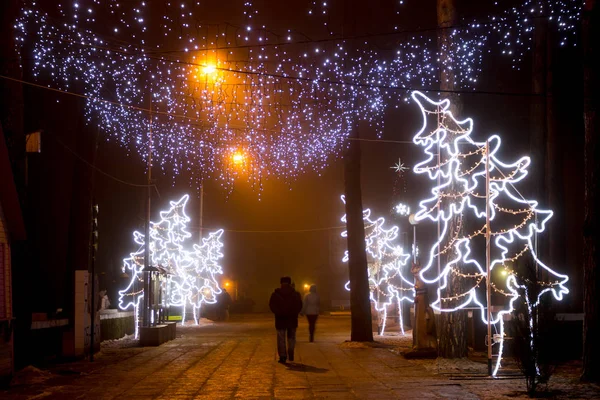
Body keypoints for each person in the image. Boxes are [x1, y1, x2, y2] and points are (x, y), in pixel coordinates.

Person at [269, 276, 303, 363]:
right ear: (289, 283)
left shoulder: (275, 294)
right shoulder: (295, 294)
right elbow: (299, 306)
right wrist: (293, 312)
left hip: (280, 319)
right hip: (292, 319)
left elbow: (272, 306)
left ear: (281, 283)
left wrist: (279, 312)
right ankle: (291, 350)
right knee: (291, 337)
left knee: (281, 338)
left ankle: (283, 356)